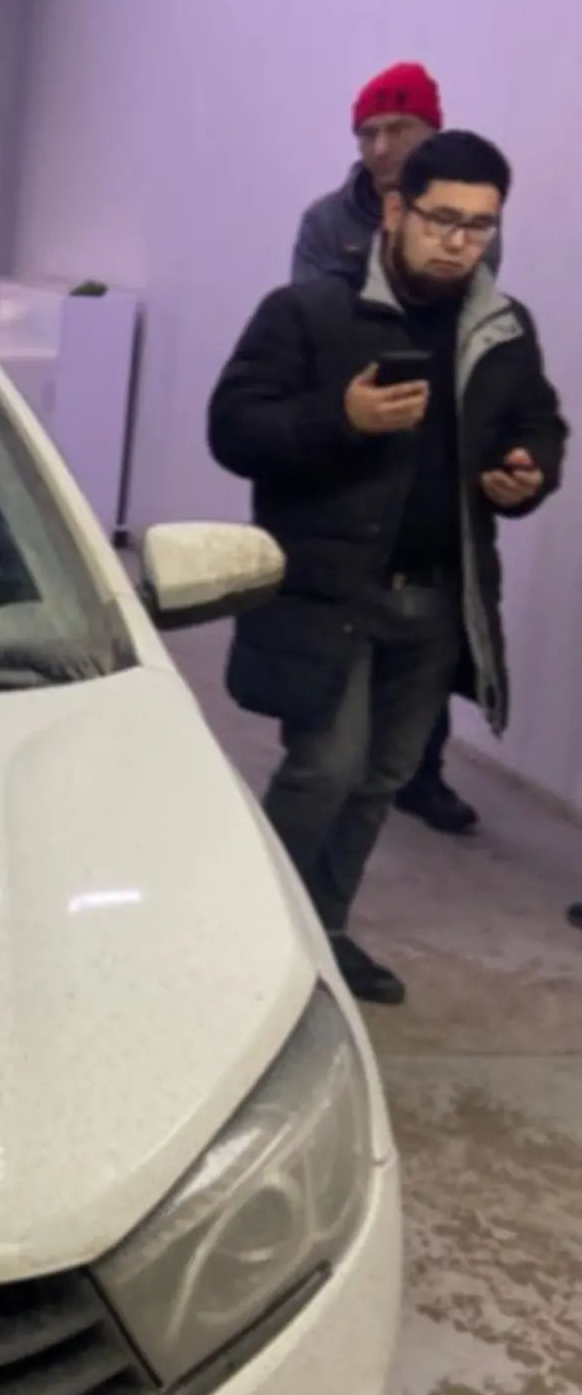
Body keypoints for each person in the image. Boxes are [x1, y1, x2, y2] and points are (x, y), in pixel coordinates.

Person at [211, 131, 566, 1007]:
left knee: (381, 778)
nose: (458, 242)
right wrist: (342, 418)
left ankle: (325, 933)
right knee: (325, 769)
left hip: (440, 599)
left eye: (479, 226)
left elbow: (539, 421)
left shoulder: (502, 327)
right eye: (443, 218)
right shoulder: (308, 313)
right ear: (398, 210)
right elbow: (235, 429)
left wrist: (529, 470)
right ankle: (253, 935)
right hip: (330, 594)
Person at [293, 62, 496, 836]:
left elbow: (471, 323)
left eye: (397, 129)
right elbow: (313, 324)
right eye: (368, 132)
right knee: (342, 620)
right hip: (349, 440)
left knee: (430, 618)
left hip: (432, 445)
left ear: (430, 132)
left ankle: (421, 772)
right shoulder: (325, 222)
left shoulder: (466, 216)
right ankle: (321, 757)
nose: (380, 146)